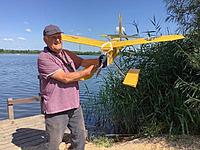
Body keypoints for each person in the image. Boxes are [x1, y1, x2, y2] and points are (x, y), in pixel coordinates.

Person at [37, 24, 99, 150]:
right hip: (56, 109)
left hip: (74, 106)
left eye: (59, 36)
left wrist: (101, 60)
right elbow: (65, 78)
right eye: (53, 37)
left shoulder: (66, 53)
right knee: (53, 144)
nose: (57, 40)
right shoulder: (44, 58)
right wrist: (87, 72)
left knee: (80, 138)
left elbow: (83, 62)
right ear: (45, 39)